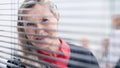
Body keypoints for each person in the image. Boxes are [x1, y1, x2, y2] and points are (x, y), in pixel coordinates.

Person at [7, 0, 99, 68]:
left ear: (57, 18)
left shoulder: (85, 57)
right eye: (30, 24)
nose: (39, 31)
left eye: (44, 20)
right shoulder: (16, 65)